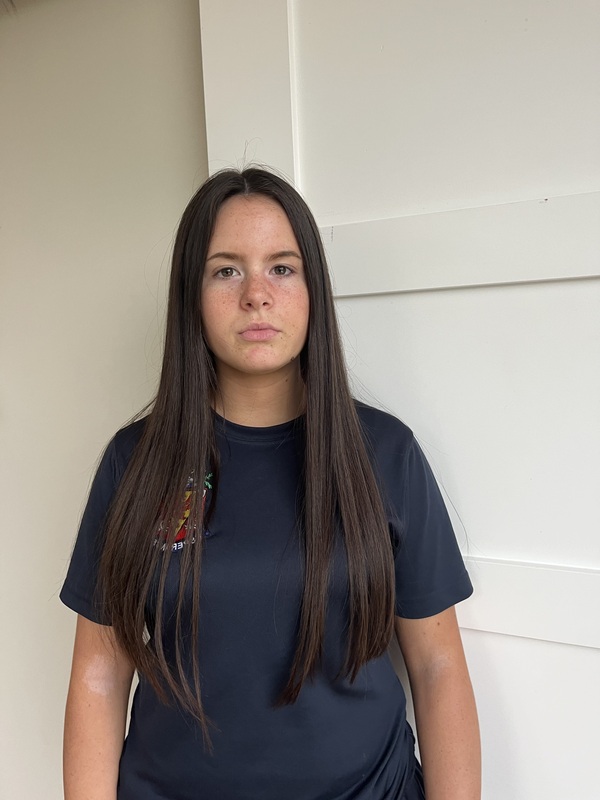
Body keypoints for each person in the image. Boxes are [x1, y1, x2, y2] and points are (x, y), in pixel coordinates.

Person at [61, 167, 481, 800]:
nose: (256, 295)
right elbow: (100, 671)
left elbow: (437, 664)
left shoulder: (386, 454)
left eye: (282, 268)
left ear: (313, 290)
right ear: (191, 294)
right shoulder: (135, 463)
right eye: (226, 270)